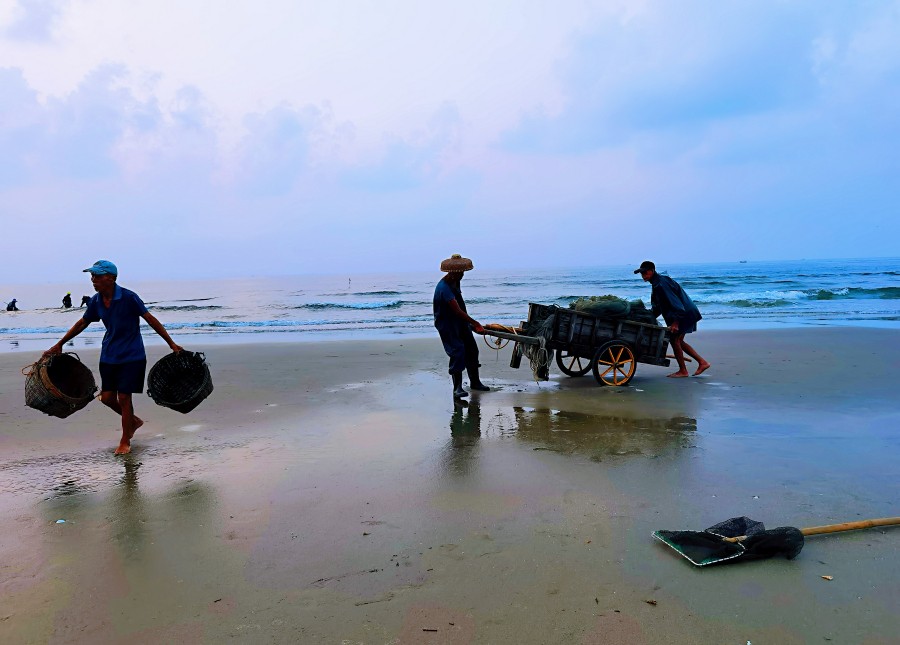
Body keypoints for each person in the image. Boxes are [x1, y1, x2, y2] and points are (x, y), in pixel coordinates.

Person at [43, 260, 184, 454]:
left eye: (98, 276)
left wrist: (172, 344)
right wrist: (60, 343)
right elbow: (83, 322)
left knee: (124, 397)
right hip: (109, 355)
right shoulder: (95, 301)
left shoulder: (129, 297)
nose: (93, 280)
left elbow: (150, 319)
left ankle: (125, 440)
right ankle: (133, 422)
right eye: (92, 276)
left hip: (132, 355)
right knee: (107, 398)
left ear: (111, 278)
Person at [634, 260, 710, 378]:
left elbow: (677, 305)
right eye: (641, 273)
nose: (643, 275)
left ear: (652, 271)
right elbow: (658, 307)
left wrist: (675, 323)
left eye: (645, 272)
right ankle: (702, 362)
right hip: (685, 312)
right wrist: (647, 318)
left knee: (675, 340)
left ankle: (684, 371)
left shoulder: (661, 284)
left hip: (685, 313)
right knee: (677, 340)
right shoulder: (657, 283)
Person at [433, 254, 489, 398]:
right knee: (457, 352)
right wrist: (475, 323)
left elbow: (460, 309)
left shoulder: (455, 282)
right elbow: (456, 309)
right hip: (447, 324)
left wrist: (468, 323)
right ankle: (457, 388)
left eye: (463, 273)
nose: (462, 276)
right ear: (453, 273)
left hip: (460, 322)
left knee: (472, 349)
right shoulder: (444, 288)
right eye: (461, 273)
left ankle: (475, 382)